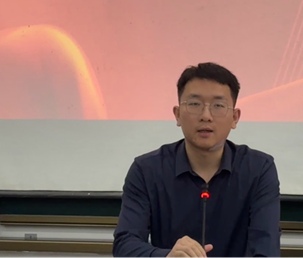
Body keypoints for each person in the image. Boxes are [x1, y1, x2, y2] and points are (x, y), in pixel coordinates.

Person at [113, 62, 281, 258]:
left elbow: (266, 248)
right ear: (177, 114)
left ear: (235, 118)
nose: (206, 116)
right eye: (194, 104)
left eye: (218, 106)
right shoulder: (147, 170)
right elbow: (125, 245)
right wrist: (167, 256)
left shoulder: (259, 169)